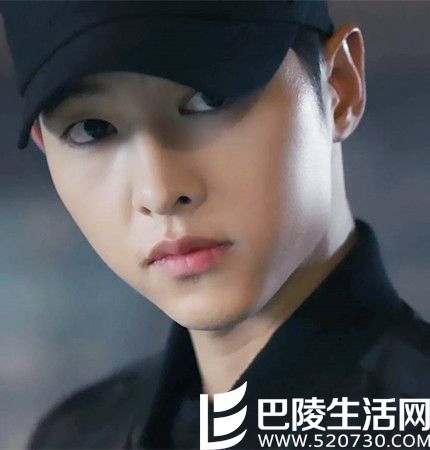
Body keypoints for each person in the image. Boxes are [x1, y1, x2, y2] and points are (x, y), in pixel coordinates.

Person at [1, 1, 430, 449]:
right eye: (91, 128)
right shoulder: (75, 435)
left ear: (339, 86)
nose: (159, 191)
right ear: (44, 145)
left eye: (209, 99)